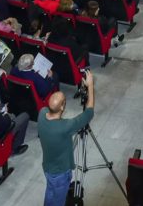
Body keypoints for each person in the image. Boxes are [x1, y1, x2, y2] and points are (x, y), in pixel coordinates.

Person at [38, 71, 95, 205]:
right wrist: (90, 86)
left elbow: (50, 109)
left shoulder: (42, 114)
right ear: (63, 107)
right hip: (60, 173)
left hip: (47, 167)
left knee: (50, 193)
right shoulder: (65, 127)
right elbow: (89, 112)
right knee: (58, 200)